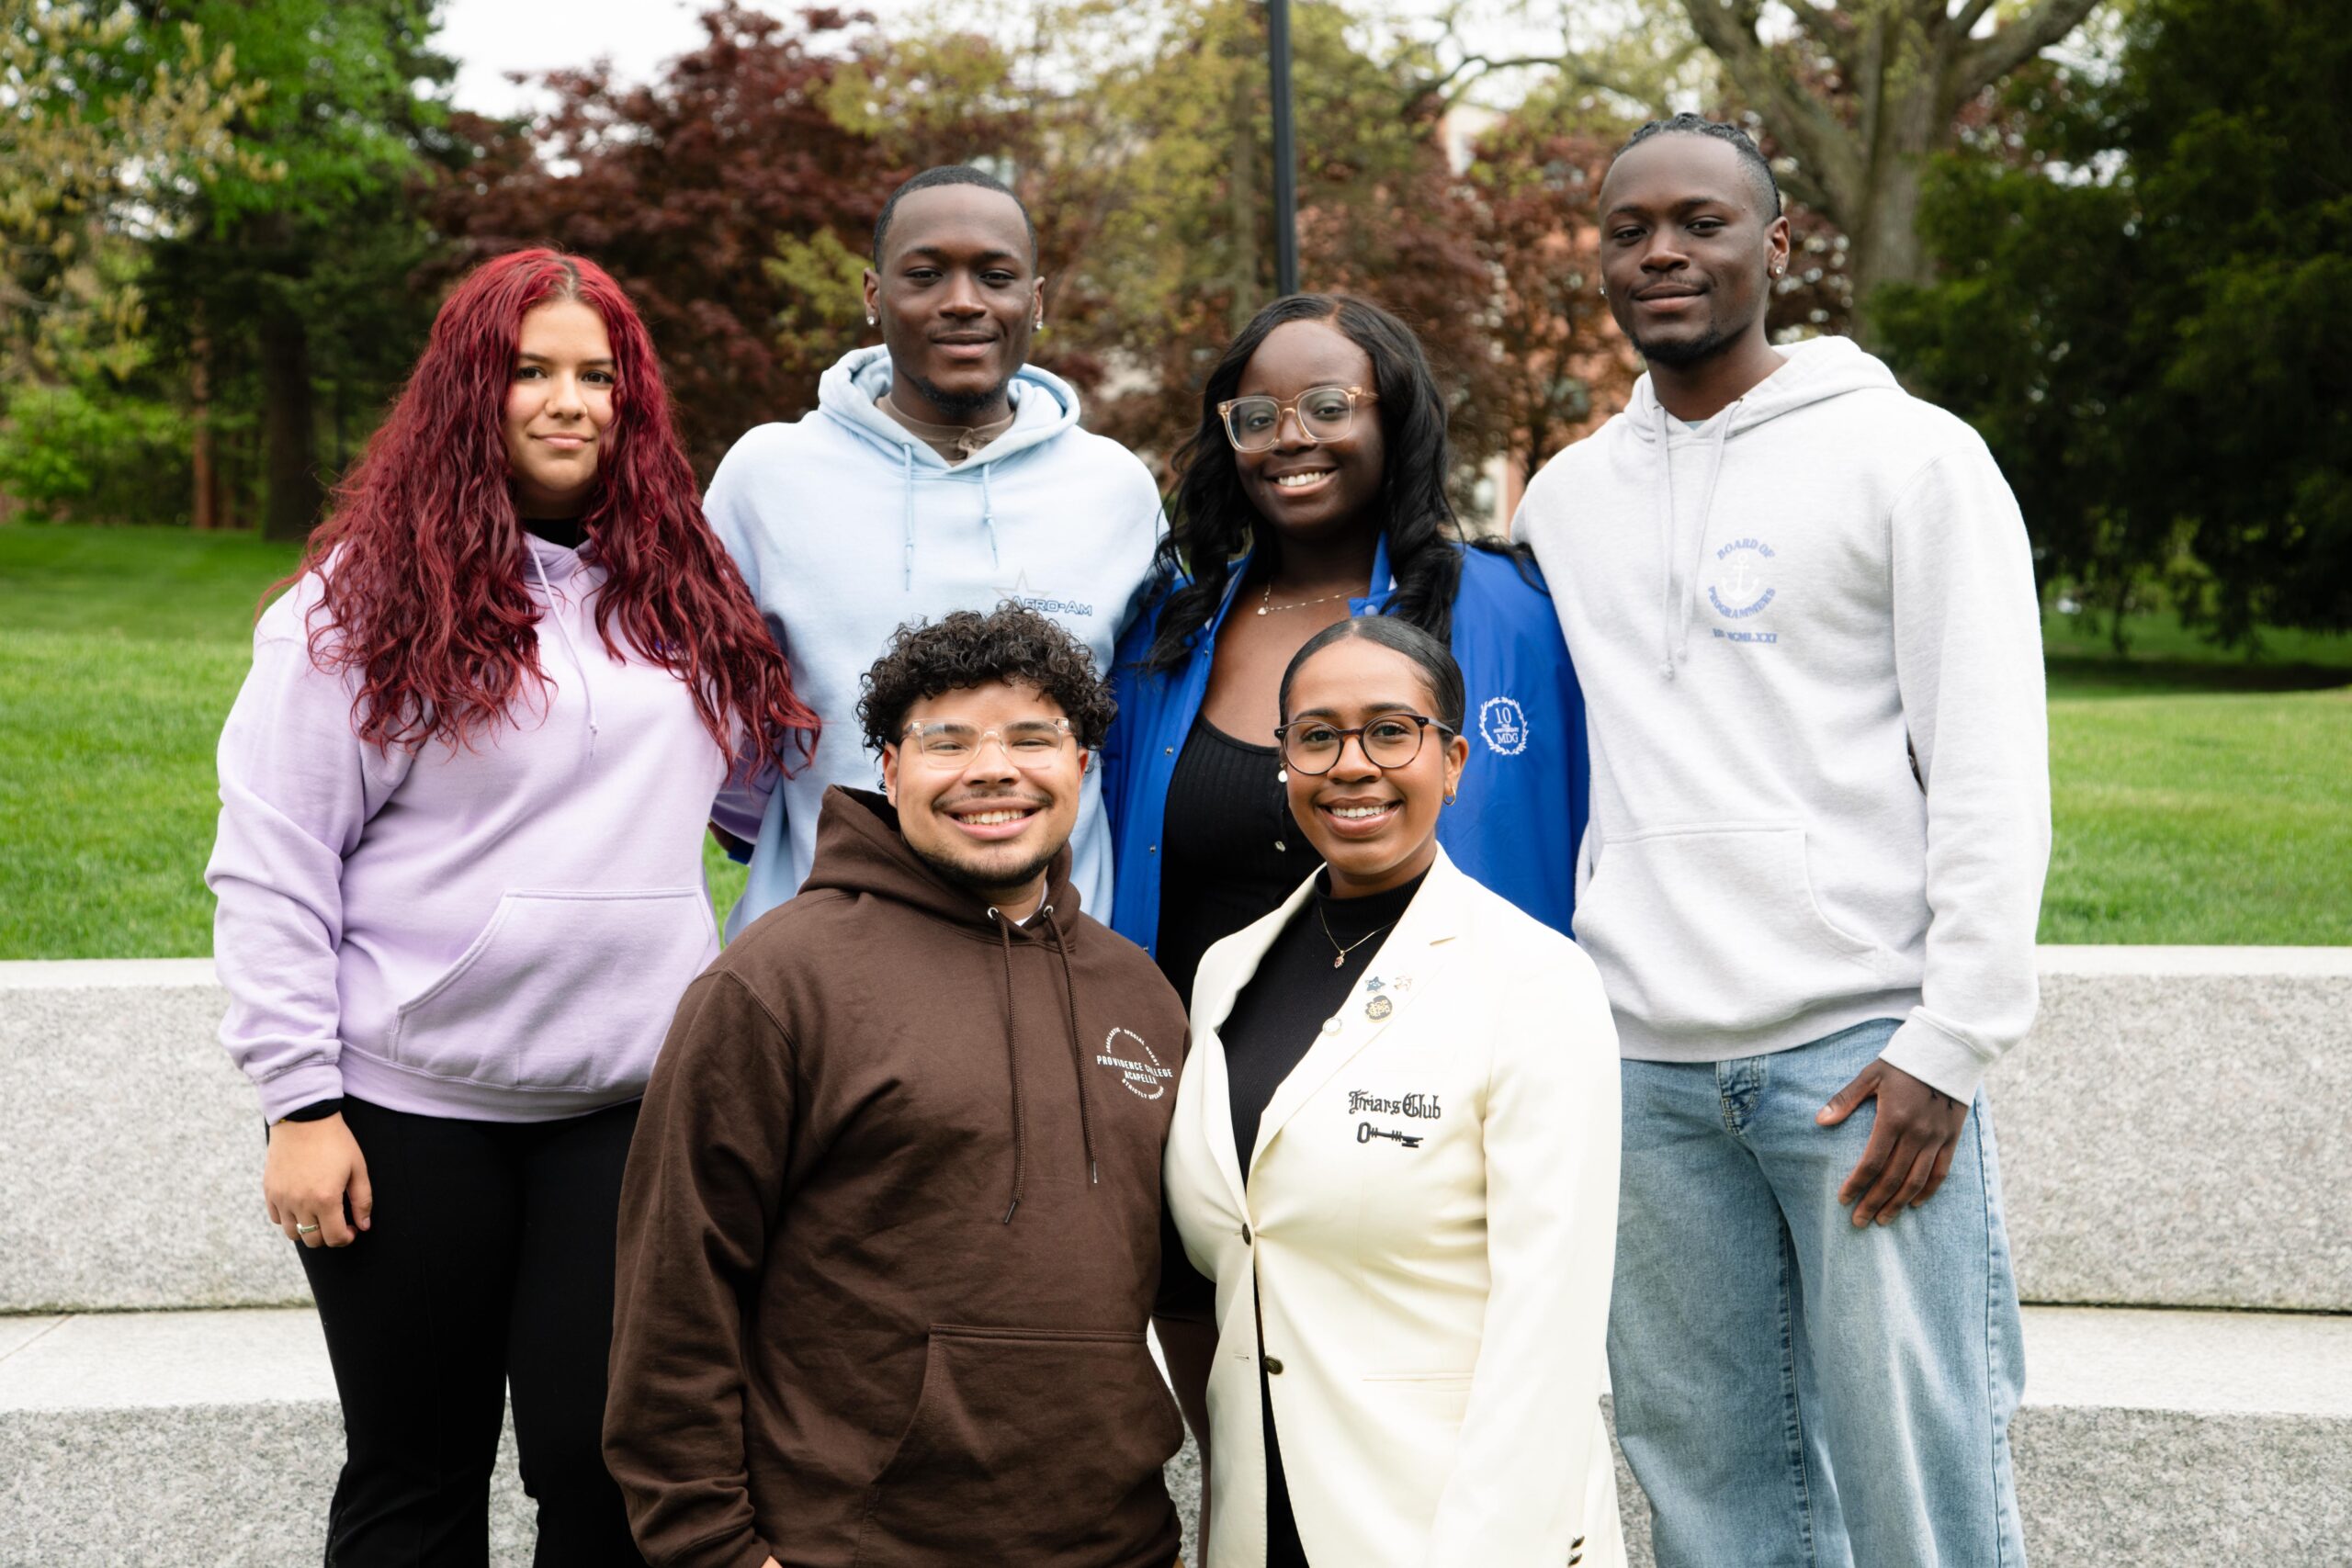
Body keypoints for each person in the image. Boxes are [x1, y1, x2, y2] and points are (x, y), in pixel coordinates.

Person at [205, 248, 818, 1564]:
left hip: (627, 1110)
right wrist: (301, 1103)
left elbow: (762, 802)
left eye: (598, 376)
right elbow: (272, 867)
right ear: (465, 390)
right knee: (415, 1474)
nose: (567, 400)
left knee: (609, 1474)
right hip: (403, 1110)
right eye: (529, 370)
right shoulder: (353, 610)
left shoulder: (685, 600)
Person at [1512, 113, 2050, 1568]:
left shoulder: (1912, 459)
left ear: (1779, 247)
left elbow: (1994, 757)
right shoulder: (1563, 499)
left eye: (1702, 221)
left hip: (1858, 1055)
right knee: (1705, 1487)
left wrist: (1954, 1039)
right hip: (1642, 1065)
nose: (1663, 252)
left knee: (1918, 1488)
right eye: (1630, 229)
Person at [605, 604, 1191, 1568]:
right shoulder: (777, 984)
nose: (991, 770)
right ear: (887, 768)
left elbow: (1185, 1289)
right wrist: (711, 1547)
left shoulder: (1140, 992)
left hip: (1117, 1544)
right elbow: (677, 1290)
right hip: (855, 1545)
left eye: (1033, 738)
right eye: (945, 741)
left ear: (1082, 766)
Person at [1156, 616, 1624, 1568]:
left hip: (1453, 1524)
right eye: (1316, 735)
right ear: (1282, 761)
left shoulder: (1534, 981)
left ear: (1451, 761)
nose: (1351, 764)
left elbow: (1550, 1324)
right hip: (1264, 1514)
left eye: (1390, 731)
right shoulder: (1225, 974)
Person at [706, 164, 1162, 935]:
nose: (962, 301)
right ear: (874, 295)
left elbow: (1136, 730)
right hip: (824, 953)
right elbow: (716, 731)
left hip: (1047, 955)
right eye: (925, 274)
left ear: (1037, 300)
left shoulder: (1114, 488)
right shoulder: (766, 478)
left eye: (995, 275)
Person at [1101, 292, 1589, 1008]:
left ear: (1392, 417)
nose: (1290, 437)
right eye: (1258, 418)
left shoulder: (1518, 614)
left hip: (1444, 1083)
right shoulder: (1165, 638)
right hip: (1202, 1087)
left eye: (1329, 407)